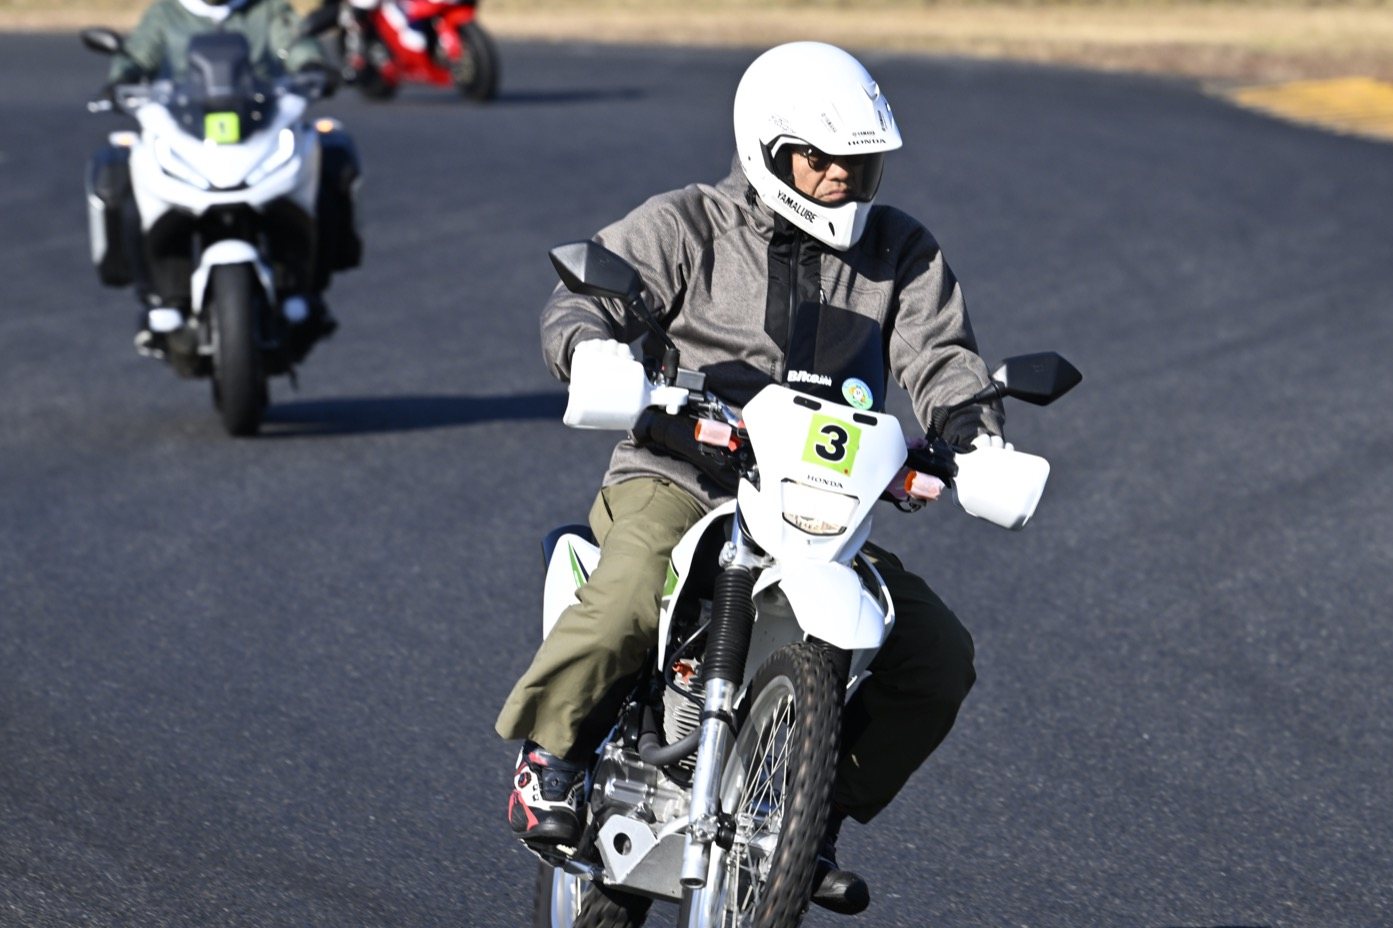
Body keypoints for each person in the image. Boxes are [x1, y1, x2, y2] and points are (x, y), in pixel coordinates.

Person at [496, 41, 1004, 915]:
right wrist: (593, 353)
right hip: (678, 477)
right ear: (767, 149)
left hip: (818, 505)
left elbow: (942, 361)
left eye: (858, 160)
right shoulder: (686, 223)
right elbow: (583, 301)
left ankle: (803, 819)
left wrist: (974, 438)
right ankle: (552, 758)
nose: (841, 175)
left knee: (936, 656)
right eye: (818, 157)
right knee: (629, 589)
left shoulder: (900, 250)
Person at [99, 0, 344, 359]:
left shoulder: (266, 9)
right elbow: (137, 56)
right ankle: (157, 299)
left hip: (259, 130)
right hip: (186, 133)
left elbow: (295, 44)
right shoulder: (166, 13)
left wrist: (312, 66)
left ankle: (306, 289)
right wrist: (122, 79)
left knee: (329, 165)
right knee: (126, 184)